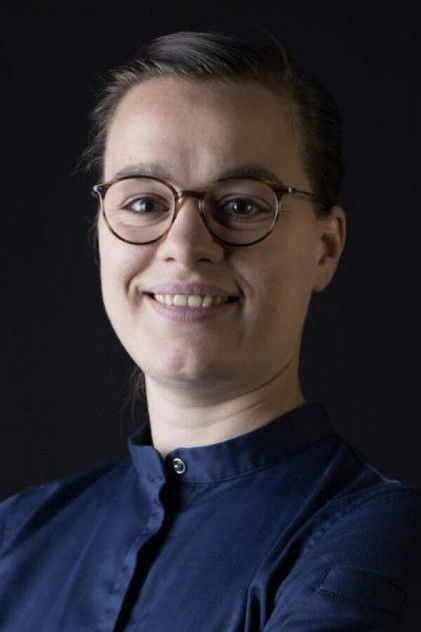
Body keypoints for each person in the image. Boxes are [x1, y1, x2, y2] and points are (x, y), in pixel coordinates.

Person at [1, 29, 420, 631]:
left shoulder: (378, 541)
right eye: (144, 203)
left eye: (243, 205)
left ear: (325, 248)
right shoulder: (15, 537)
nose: (185, 244)